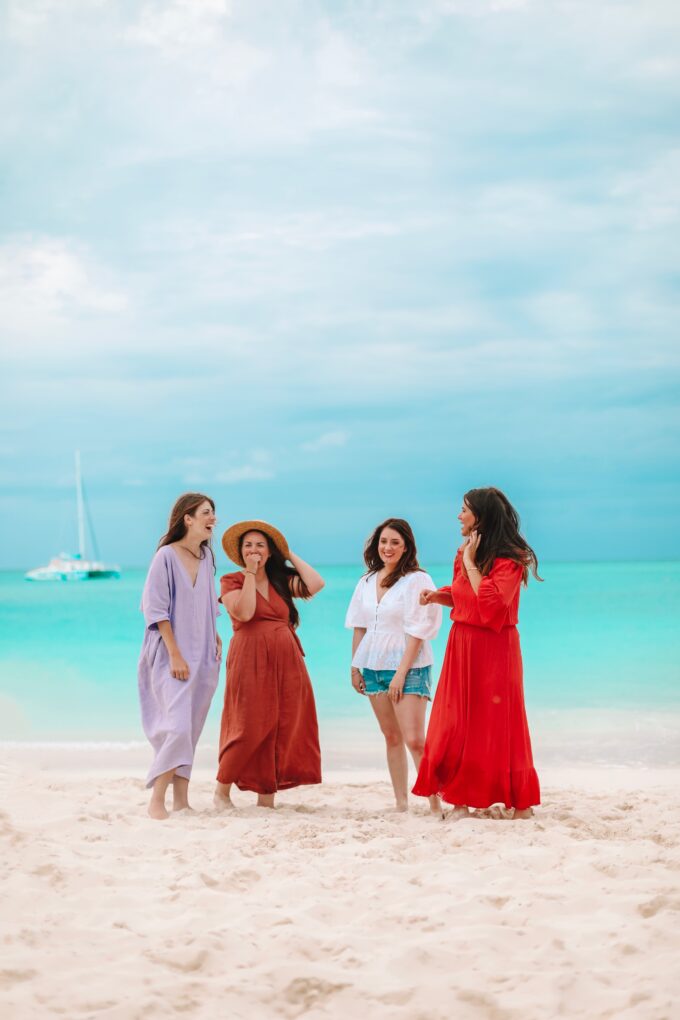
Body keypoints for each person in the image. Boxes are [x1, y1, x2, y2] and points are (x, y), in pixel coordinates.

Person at [413, 487, 541, 819]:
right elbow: (465, 596)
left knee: (501, 721)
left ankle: (520, 803)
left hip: (497, 647)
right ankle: (460, 800)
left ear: (480, 516)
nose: (459, 516)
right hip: (463, 643)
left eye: (464, 510)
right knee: (459, 721)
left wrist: (471, 562)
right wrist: (437, 596)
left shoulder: (510, 558)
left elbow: (492, 605)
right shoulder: (464, 552)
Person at [214, 521, 324, 810]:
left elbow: (315, 584)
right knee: (248, 725)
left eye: (260, 545)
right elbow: (245, 612)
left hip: (287, 661)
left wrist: (288, 554)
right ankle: (222, 791)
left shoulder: (280, 580)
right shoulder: (232, 581)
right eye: (248, 545)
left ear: (270, 551)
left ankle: (267, 796)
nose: (254, 549)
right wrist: (250, 573)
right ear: (240, 552)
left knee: (281, 724)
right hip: (249, 659)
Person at [345, 518, 442, 813]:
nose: (387, 548)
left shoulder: (417, 580)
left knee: (415, 739)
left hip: (409, 668)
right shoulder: (366, 581)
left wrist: (401, 672)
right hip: (372, 666)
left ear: (406, 547)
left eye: (395, 543)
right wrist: (354, 667)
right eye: (384, 541)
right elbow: (359, 626)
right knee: (391, 737)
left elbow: (419, 629)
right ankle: (401, 803)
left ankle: (435, 802)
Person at [138, 493, 222, 820]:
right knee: (175, 726)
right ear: (188, 518)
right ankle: (157, 799)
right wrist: (175, 654)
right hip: (170, 653)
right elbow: (156, 609)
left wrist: (215, 635)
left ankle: (182, 801)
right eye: (205, 512)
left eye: (213, 512)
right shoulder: (166, 556)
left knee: (191, 726)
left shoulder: (206, 557)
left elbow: (208, 605)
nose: (212, 517)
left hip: (203, 652)